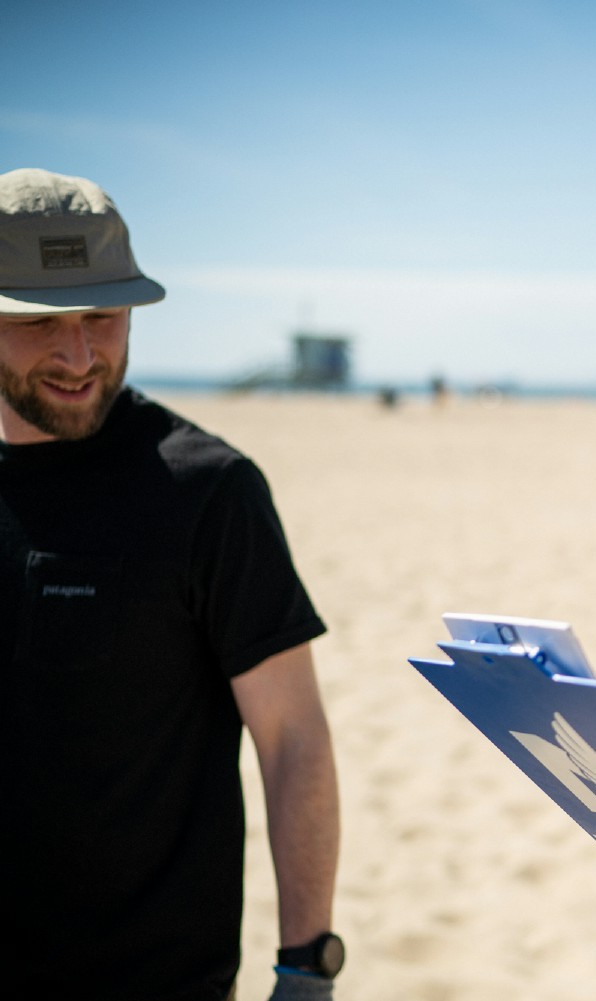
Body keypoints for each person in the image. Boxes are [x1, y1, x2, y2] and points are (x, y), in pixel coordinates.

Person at [0, 168, 344, 999]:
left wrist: (306, 968)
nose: (81, 354)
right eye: (45, 321)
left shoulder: (207, 492)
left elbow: (292, 736)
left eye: (104, 317)